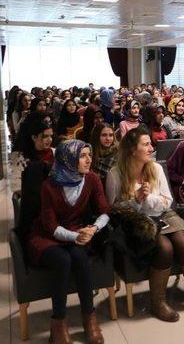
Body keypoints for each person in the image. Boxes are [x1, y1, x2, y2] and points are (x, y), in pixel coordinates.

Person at [106, 127, 184, 322]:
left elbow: (167, 201)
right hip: (138, 221)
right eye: (146, 144)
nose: (152, 148)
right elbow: (113, 209)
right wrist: (135, 200)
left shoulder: (156, 168)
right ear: (132, 150)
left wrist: (148, 198)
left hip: (163, 213)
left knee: (183, 242)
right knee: (165, 248)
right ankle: (157, 302)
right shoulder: (115, 174)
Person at [27, 140, 110, 344]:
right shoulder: (49, 185)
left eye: (89, 154)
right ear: (68, 159)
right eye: (82, 155)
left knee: (80, 258)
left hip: (77, 231)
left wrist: (94, 228)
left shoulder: (92, 179)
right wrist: (77, 236)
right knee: (63, 260)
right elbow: (50, 226)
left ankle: (89, 319)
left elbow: (105, 211)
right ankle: (58, 322)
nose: (89, 159)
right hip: (46, 236)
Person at [90, 123, 118, 188]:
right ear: (97, 136)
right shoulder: (89, 153)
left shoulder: (118, 154)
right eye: (104, 135)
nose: (108, 139)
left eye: (111, 135)